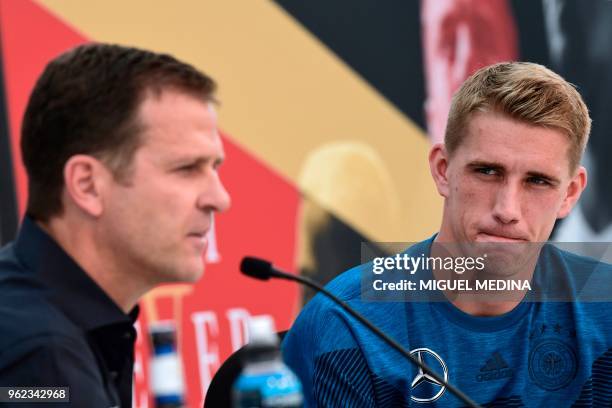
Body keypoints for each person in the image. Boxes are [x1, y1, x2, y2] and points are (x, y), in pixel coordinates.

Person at [282, 62, 612, 406]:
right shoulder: (345, 326)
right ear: (443, 170)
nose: (507, 209)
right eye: (487, 171)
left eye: (537, 181)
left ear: (571, 194)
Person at [0, 43, 231, 407]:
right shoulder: (41, 359)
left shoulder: (38, 320)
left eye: (214, 167)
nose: (220, 199)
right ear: (87, 185)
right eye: (187, 168)